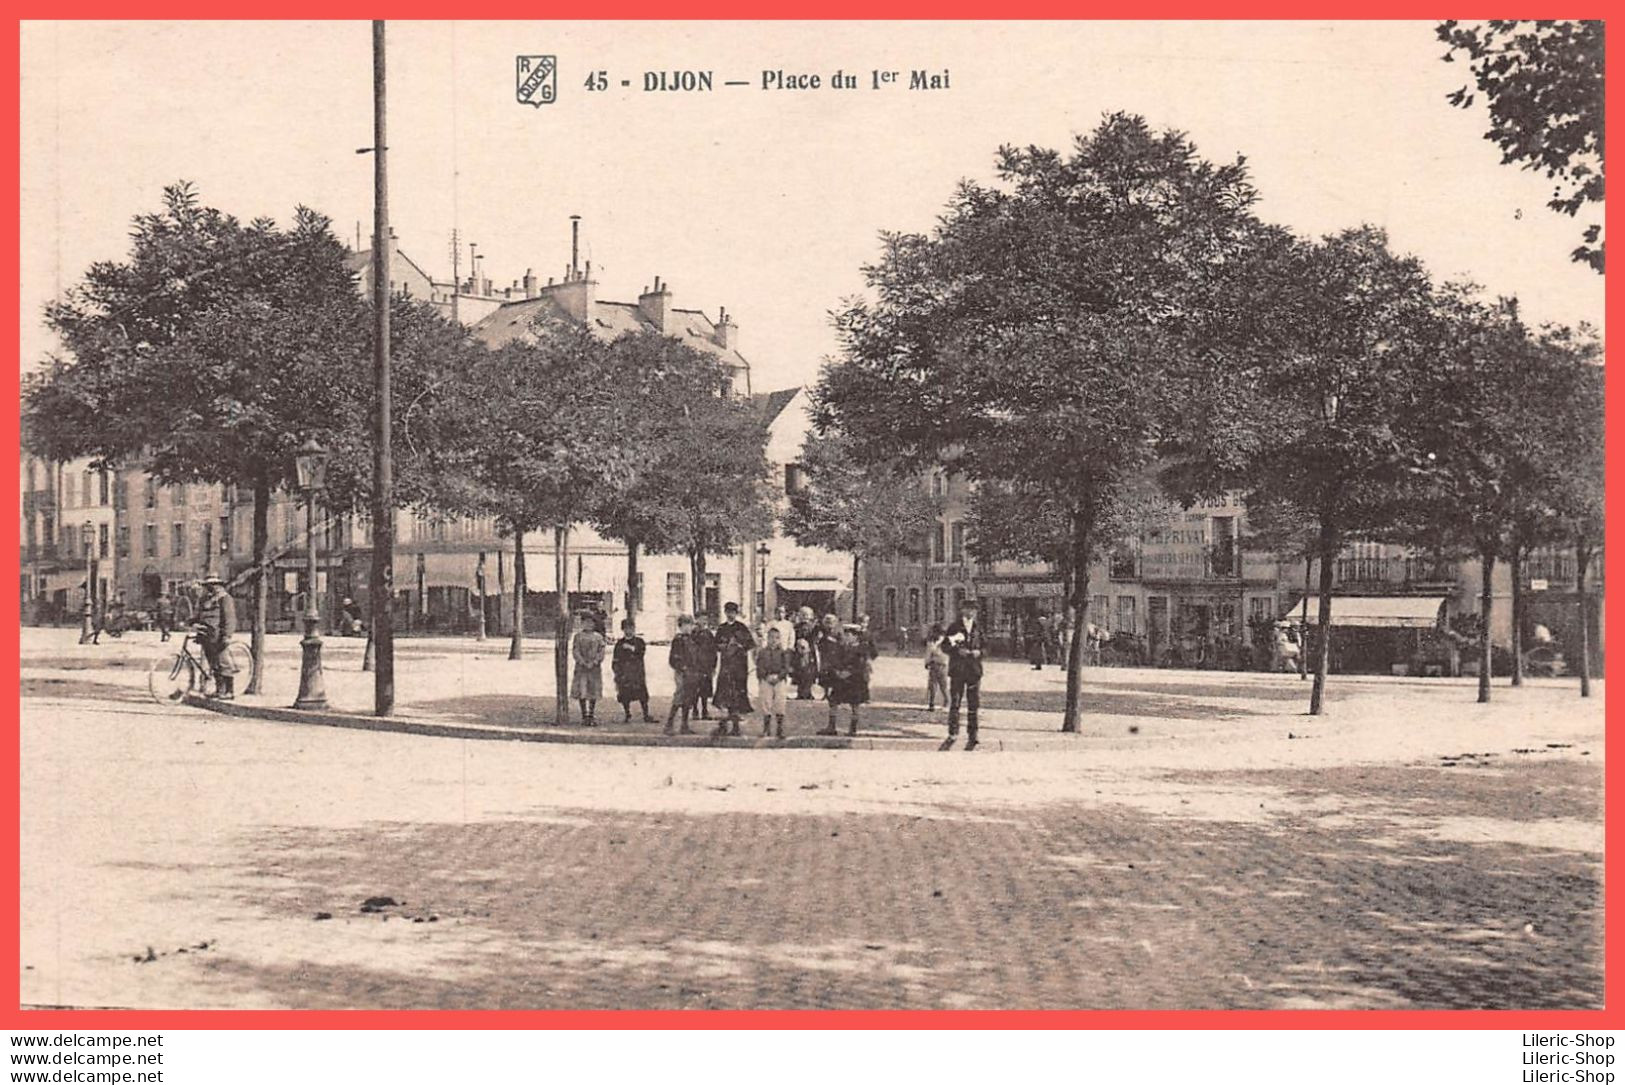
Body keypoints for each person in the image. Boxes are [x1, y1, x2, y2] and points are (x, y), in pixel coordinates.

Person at [940, 598, 985, 751]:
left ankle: (973, 734)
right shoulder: (954, 627)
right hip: (958, 670)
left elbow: (986, 646)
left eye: (973, 609)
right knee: (956, 702)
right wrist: (957, 651)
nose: (971, 612)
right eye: (968, 609)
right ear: (962, 610)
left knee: (974, 703)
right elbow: (945, 646)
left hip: (974, 670)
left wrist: (980, 652)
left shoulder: (979, 628)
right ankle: (953, 732)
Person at [712, 601, 757, 737]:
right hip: (726, 666)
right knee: (724, 696)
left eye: (733, 612)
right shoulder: (721, 628)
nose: (730, 614)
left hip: (739, 667)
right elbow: (716, 646)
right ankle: (723, 725)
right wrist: (725, 646)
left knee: (737, 696)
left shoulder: (741, 627)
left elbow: (751, 644)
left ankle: (736, 727)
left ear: (736, 613)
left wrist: (739, 646)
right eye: (728, 612)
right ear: (725, 613)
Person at [195, 575, 239, 700]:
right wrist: (192, 622)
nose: (211, 588)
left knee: (223, 662)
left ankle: (230, 691)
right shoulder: (205, 599)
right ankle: (220, 690)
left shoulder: (225, 599)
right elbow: (200, 615)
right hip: (206, 635)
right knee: (213, 663)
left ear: (219, 585)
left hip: (218, 636)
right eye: (208, 585)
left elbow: (229, 618)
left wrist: (227, 635)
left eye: (213, 585)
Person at [820, 624, 869, 736]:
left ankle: (853, 729)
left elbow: (861, 665)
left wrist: (849, 672)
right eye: (845, 635)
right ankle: (831, 727)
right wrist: (837, 671)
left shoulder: (861, 649)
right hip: (841, 680)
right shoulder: (841, 647)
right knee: (833, 701)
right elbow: (835, 660)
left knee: (855, 704)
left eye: (849, 635)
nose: (846, 637)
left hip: (855, 681)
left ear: (856, 636)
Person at [664, 615, 705, 736]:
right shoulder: (678, 640)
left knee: (688, 698)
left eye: (690, 625)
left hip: (692, 673)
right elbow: (673, 659)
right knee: (679, 696)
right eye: (685, 625)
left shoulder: (692, 640)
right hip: (682, 673)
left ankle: (684, 725)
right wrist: (682, 667)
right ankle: (669, 724)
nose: (688, 628)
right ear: (680, 626)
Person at [612, 619, 654, 723]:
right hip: (624, 672)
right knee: (624, 694)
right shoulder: (619, 643)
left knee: (642, 694)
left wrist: (631, 648)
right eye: (626, 628)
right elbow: (616, 658)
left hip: (636, 672)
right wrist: (617, 672)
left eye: (631, 628)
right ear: (623, 629)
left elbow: (641, 653)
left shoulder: (639, 641)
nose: (629, 630)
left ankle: (646, 714)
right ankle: (627, 714)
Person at [570, 612, 607, 725]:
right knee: (582, 690)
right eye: (586, 622)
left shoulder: (598, 637)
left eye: (591, 622)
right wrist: (582, 661)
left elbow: (601, 651)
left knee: (593, 690)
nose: (588, 625)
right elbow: (575, 650)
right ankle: (584, 715)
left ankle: (591, 714)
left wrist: (595, 661)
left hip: (594, 668)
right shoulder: (578, 636)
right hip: (582, 668)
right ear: (582, 623)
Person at [755, 625, 792, 739]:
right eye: (771, 637)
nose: (773, 640)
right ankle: (766, 729)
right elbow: (759, 666)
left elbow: (786, 668)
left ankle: (779, 729)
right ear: (767, 638)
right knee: (766, 702)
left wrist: (779, 677)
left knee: (780, 702)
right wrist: (765, 676)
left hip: (779, 680)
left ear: (780, 639)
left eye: (776, 638)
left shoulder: (783, 653)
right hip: (766, 679)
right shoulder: (762, 652)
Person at [693, 614, 718, 720]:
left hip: (706, 665)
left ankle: (704, 710)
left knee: (705, 689)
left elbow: (713, 650)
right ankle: (695, 710)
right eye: (701, 619)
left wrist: (713, 666)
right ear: (696, 619)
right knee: (694, 689)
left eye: (705, 619)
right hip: (695, 666)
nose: (703, 621)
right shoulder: (693, 633)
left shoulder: (709, 634)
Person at [792, 607, 820, 700]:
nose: (805, 617)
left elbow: (815, 639)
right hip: (798, 652)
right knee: (799, 672)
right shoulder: (795, 627)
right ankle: (800, 692)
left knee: (809, 673)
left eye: (807, 614)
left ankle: (808, 692)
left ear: (811, 616)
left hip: (810, 652)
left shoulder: (814, 627)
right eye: (803, 614)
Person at [814, 613, 844, 700]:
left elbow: (841, 643)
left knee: (834, 675)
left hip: (835, 656)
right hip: (825, 656)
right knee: (824, 675)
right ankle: (825, 693)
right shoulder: (822, 631)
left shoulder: (838, 631)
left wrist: (831, 639)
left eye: (831, 622)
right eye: (827, 622)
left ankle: (835, 694)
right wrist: (819, 639)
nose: (829, 624)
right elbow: (817, 643)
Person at [923, 622, 949, 710]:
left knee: (933, 685)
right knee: (943, 685)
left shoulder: (931, 642)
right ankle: (946, 702)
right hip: (943, 665)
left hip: (935, 664)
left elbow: (928, 653)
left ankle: (932, 703)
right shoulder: (946, 641)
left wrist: (926, 663)